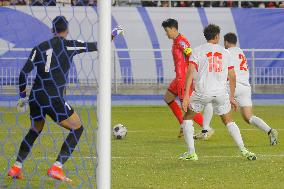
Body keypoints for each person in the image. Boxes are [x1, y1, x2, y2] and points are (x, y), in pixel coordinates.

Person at [8, 16, 123, 182]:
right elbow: (98, 45)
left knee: (34, 130)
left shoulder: (39, 48)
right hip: (53, 97)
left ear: (52, 30)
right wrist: (113, 34)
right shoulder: (69, 45)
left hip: (36, 97)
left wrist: (22, 97)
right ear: (66, 30)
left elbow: (23, 74)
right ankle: (57, 167)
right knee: (77, 128)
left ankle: (16, 167)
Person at [180, 24, 256, 161]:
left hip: (202, 92)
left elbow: (190, 72)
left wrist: (186, 95)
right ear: (217, 36)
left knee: (187, 118)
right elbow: (232, 76)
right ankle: (243, 150)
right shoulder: (225, 52)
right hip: (221, 93)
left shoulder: (197, 51)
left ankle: (192, 153)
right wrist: (231, 97)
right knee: (229, 121)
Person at [162, 18, 213, 138]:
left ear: (174, 29)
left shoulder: (181, 41)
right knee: (168, 98)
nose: (166, 33)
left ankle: (207, 128)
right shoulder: (176, 41)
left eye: (167, 30)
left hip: (183, 79)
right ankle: (182, 124)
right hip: (178, 78)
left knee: (188, 106)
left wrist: (193, 74)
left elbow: (191, 55)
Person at [224, 32, 278, 145]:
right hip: (245, 87)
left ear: (226, 42)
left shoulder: (227, 52)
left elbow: (226, 70)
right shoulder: (240, 52)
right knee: (248, 117)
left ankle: (205, 129)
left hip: (234, 85)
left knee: (211, 97)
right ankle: (270, 131)